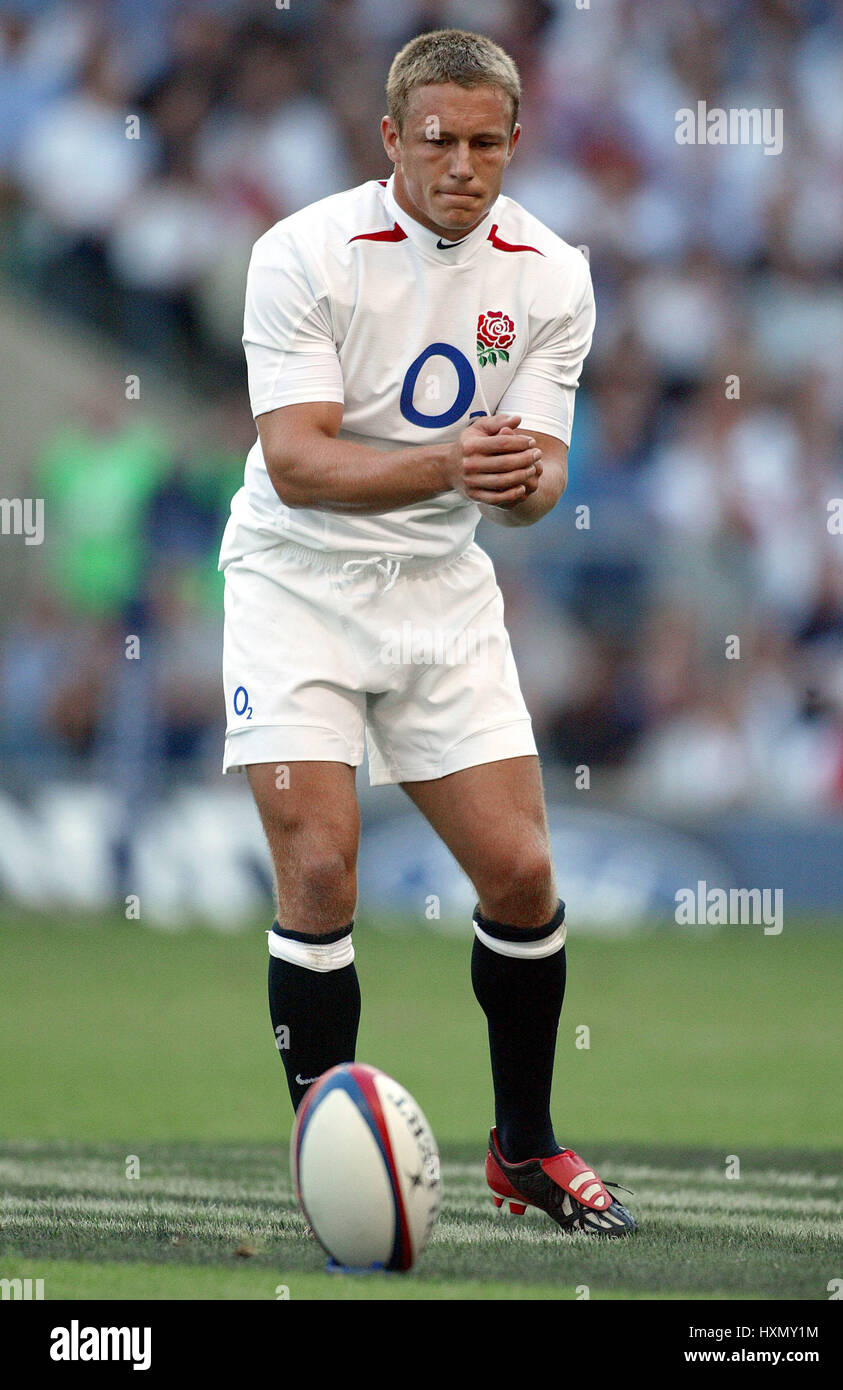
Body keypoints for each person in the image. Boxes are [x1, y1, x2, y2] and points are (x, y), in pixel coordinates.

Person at [219, 27, 635, 1237]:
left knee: (521, 874)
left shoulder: (551, 274)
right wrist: (452, 463)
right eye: (438, 140)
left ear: (515, 141)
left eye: (485, 143)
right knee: (320, 869)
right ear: (390, 138)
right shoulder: (302, 253)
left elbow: (541, 476)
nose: (461, 165)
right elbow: (295, 463)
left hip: (440, 589)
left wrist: (520, 483)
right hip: (295, 584)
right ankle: (333, 1168)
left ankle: (524, 1149)